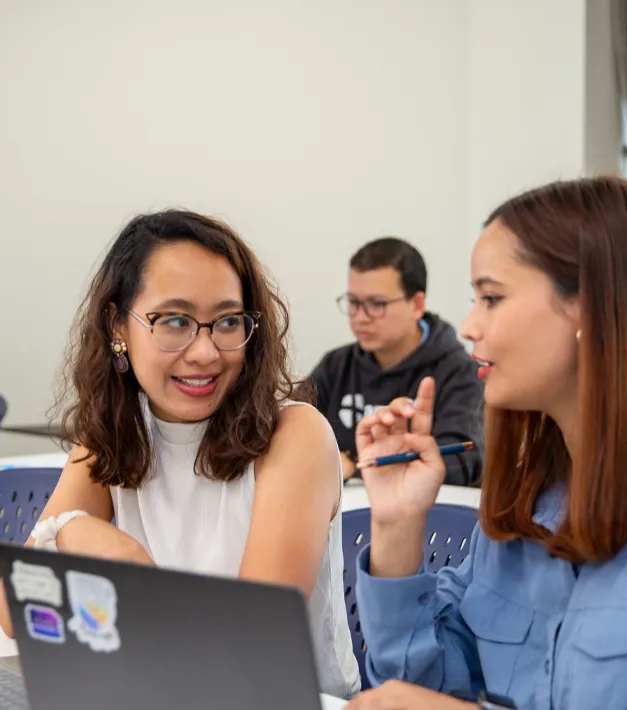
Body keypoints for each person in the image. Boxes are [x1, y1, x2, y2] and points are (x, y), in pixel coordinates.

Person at [346, 177, 627, 710]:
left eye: (491, 297)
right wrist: (397, 525)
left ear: (588, 306)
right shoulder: (531, 495)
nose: (469, 325)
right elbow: (424, 688)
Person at [0, 210, 360, 700]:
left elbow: (252, 644)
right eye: (174, 321)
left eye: (228, 321)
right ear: (117, 326)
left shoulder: (293, 434)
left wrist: (132, 586)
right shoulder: (116, 431)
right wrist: (70, 531)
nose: (206, 352)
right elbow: (11, 609)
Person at [308, 237, 484, 486]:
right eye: (354, 303)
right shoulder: (336, 366)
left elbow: (461, 462)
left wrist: (355, 467)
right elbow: (290, 429)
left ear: (416, 305)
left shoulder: (459, 372)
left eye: (377, 304)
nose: (360, 317)